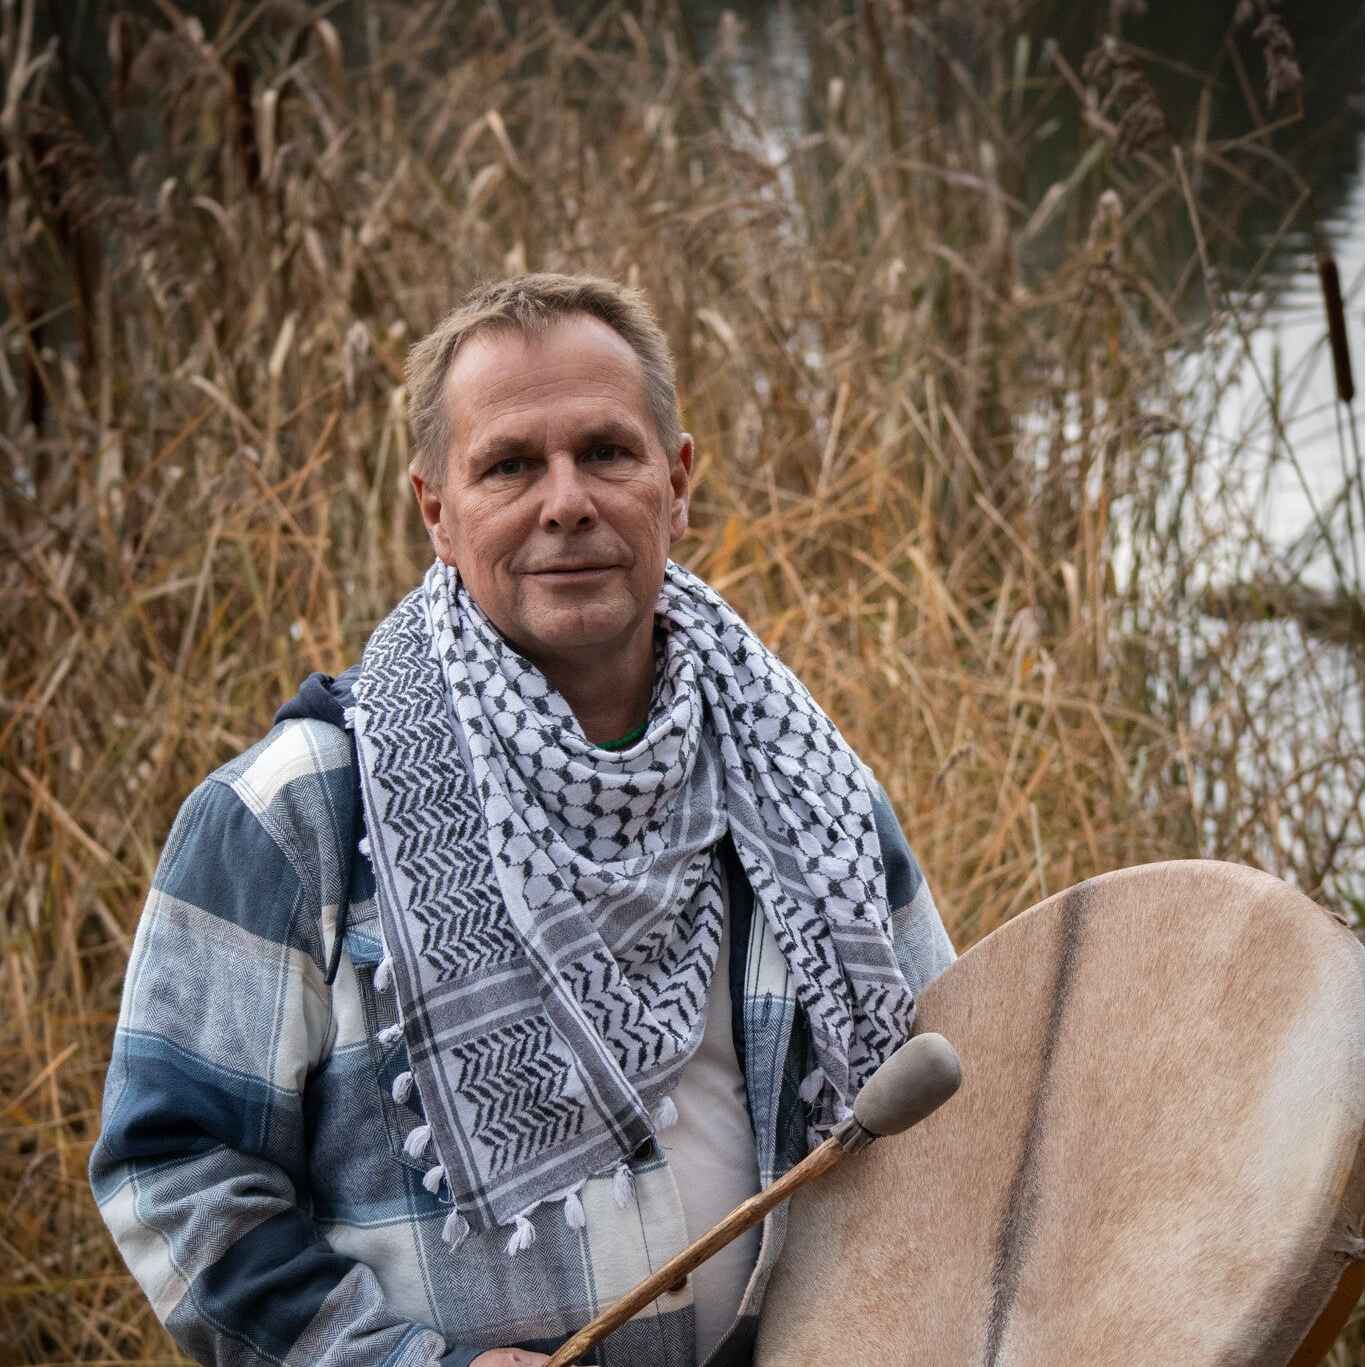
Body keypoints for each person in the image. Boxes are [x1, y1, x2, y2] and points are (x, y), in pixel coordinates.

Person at [90, 273, 956, 1367]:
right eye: (508, 465)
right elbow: (172, 1170)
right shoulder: (289, 814)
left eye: (606, 451)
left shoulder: (807, 784)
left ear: (676, 484)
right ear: (436, 513)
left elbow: (937, 1104)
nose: (566, 502)